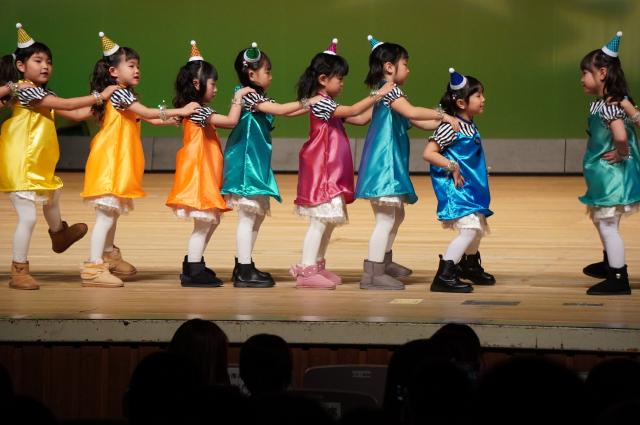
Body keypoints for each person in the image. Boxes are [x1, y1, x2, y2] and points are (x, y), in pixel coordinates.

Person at [0, 23, 117, 290]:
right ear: (21, 66)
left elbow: (75, 114)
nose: (45, 66)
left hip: (37, 161)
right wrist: (99, 95)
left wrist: (105, 107)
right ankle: (19, 270)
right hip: (20, 160)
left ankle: (59, 234)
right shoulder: (25, 89)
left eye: (49, 62)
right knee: (28, 217)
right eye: (38, 61)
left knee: (52, 196)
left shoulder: (42, 92)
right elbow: (67, 104)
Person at [80, 32, 199, 287]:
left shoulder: (124, 95)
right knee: (106, 216)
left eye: (138, 66)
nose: (137, 70)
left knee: (112, 214)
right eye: (131, 66)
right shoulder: (119, 94)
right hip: (110, 162)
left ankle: (108, 256)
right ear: (113, 71)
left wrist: (174, 119)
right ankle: (93, 268)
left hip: (120, 162)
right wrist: (181, 110)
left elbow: (147, 118)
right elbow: (146, 112)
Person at [355, 35, 459, 290]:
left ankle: (384, 261)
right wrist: (443, 115)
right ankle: (373, 272)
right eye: (405, 64)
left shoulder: (387, 93)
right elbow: (413, 112)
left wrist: (445, 122)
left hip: (391, 162)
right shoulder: (391, 91)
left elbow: (416, 120)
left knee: (396, 215)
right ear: (389, 67)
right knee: (386, 218)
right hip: (385, 164)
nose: (409, 69)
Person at [289, 38, 394, 289]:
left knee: (328, 222)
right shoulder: (321, 102)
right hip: (322, 171)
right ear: (323, 79)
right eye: (339, 78)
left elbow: (360, 118)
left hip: (332, 172)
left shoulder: (329, 104)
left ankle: (316, 266)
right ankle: (306, 269)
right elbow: (352, 110)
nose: (342, 83)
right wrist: (378, 94)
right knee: (319, 221)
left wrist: (384, 104)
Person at [221, 42, 320, 288]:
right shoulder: (248, 95)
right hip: (246, 162)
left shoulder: (259, 97)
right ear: (251, 74)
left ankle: (244, 264)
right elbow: (283, 110)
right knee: (248, 215)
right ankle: (243, 269)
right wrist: (310, 100)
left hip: (256, 161)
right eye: (267, 71)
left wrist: (313, 105)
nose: (271, 76)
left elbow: (287, 111)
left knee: (255, 216)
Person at [167, 41, 254, 287]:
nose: (215, 88)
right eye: (213, 83)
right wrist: (238, 97)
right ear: (197, 84)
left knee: (209, 221)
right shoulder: (197, 109)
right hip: (200, 174)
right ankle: (193, 270)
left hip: (206, 171)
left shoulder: (197, 109)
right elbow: (230, 121)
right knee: (204, 223)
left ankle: (194, 264)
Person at [578, 31, 640, 295]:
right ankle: (610, 262)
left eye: (585, 73)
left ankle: (617, 276)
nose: (582, 78)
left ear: (602, 73)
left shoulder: (611, 104)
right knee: (601, 219)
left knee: (607, 223)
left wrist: (622, 153)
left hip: (612, 175)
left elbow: (620, 135)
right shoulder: (603, 103)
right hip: (602, 174)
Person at [423, 68, 494, 293]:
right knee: (469, 230)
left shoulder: (469, 124)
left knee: (476, 227)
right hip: (457, 188)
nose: (483, 99)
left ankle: (469, 265)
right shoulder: (451, 127)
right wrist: (452, 166)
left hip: (471, 188)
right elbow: (429, 153)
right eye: (478, 95)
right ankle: (444, 275)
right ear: (462, 103)